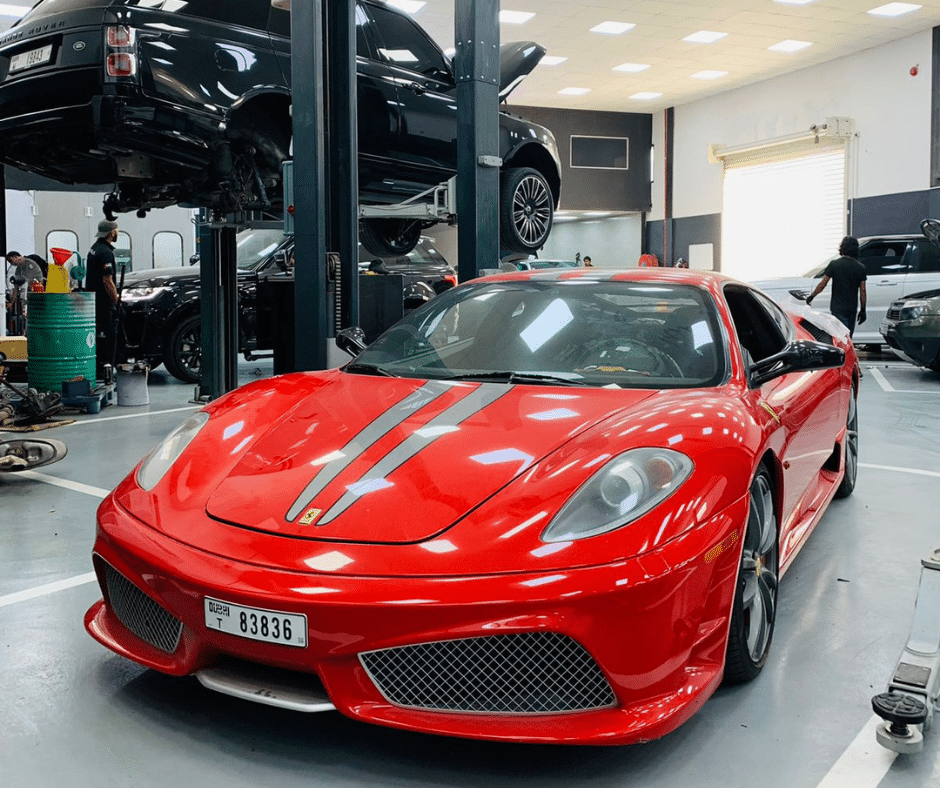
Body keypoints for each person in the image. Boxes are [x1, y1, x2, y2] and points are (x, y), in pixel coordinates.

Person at [805, 236, 867, 336]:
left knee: (840, 336)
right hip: (852, 308)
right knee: (848, 336)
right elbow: (863, 291)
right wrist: (863, 310)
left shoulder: (834, 264)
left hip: (837, 307)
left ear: (842, 247)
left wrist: (812, 296)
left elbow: (823, 284)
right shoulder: (861, 267)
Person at [86, 219, 121, 377]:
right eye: (117, 230)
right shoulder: (106, 253)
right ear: (111, 233)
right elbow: (107, 280)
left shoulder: (94, 249)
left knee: (98, 336)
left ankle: (100, 368)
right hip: (103, 303)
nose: (118, 232)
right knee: (109, 336)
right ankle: (105, 369)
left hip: (93, 301)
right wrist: (116, 300)